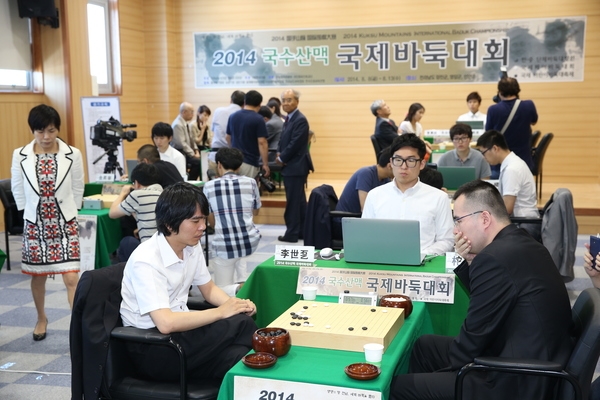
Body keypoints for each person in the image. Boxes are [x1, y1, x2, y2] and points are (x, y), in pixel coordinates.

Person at [390, 180, 572, 400]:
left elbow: (469, 345)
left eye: (458, 220)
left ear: (485, 218)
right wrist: (468, 261)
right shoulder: (519, 241)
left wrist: (444, 376)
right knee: (424, 346)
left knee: (401, 386)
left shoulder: (494, 259)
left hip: (516, 380)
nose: (455, 230)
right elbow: (491, 301)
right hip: (532, 357)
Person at [120, 182, 258, 382]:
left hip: (180, 335)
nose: (203, 227)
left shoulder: (191, 246)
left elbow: (209, 289)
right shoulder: (147, 259)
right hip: (154, 348)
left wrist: (235, 305)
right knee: (242, 325)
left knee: (237, 356)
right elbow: (165, 323)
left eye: (203, 219)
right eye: (195, 221)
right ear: (169, 224)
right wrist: (221, 312)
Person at [11, 104, 84, 341]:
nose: (46, 137)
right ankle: (41, 318)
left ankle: (76, 325)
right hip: (36, 223)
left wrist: (73, 211)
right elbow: (18, 188)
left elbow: (77, 186)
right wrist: (29, 214)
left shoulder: (72, 153)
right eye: (40, 131)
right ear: (32, 130)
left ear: (57, 129)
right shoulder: (20, 154)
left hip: (64, 221)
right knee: (37, 276)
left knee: (72, 277)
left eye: (51, 131)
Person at [362, 134, 454, 255]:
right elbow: (365, 236)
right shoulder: (374, 195)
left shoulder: (439, 198)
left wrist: (420, 255)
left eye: (411, 160)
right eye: (398, 160)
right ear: (391, 162)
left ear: (421, 164)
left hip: (423, 266)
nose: (403, 167)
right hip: (382, 264)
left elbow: (447, 240)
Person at [202, 148, 261, 295]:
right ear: (239, 166)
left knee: (219, 290)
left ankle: (239, 288)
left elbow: (212, 222)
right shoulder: (251, 183)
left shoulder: (209, 186)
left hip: (224, 246)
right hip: (249, 242)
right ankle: (242, 281)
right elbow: (256, 211)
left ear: (219, 165)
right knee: (239, 248)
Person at [476, 130, 539, 218]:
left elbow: (507, 208)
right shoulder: (513, 162)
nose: (483, 157)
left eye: (483, 152)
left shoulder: (511, 169)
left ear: (495, 148)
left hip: (523, 222)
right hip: (522, 219)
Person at [276, 89, 312, 243]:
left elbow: (295, 144)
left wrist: (283, 157)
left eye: (289, 100)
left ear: (297, 101)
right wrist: (278, 152)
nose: (285, 103)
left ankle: (291, 233)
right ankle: (302, 231)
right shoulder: (289, 118)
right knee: (299, 202)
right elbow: (283, 140)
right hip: (291, 166)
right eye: (283, 100)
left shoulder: (300, 119)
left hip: (295, 166)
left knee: (293, 202)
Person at [108, 163, 163, 262]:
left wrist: (122, 193)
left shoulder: (137, 195)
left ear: (136, 183)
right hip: (163, 248)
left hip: (149, 252)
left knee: (126, 242)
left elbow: (112, 213)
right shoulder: (163, 192)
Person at [485, 77, 538, 178]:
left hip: (500, 162)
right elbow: (534, 121)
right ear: (518, 90)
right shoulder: (529, 105)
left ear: (500, 92)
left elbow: (489, 133)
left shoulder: (493, 110)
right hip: (524, 161)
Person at [226, 90, 270, 178]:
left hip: (234, 162)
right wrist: (265, 164)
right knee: (247, 189)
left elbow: (227, 137)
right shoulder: (258, 119)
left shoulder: (233, 116)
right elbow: (262, 142)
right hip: (250, 162)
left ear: (245, 101)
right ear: (259, 104)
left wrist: (234, 151)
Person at [336, 146, 394, 214]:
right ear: (390, 166)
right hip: (346, 220)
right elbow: (365, 208)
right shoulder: (365, 173)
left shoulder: (386, 179)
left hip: (360, 218)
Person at [209, 90, 245, 173]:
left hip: (214, 155)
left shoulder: (218, 111)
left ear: (231, 100)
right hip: (233, 159)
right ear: (244, 103)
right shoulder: (242, 115)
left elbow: (213, 130)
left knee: (213, 184)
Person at [171, 102, 201, 180]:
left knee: (200, 160)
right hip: (180, 152)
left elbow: (191, 139)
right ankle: (190, 181)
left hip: (186, 151)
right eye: (191, 112)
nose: (193, 114)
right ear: (184, 112)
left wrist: (196, 150)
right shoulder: (177, 125)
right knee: (197, 162)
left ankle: (191, 179)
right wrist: (193, 154)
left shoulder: (186, 123)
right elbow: (181, 144)